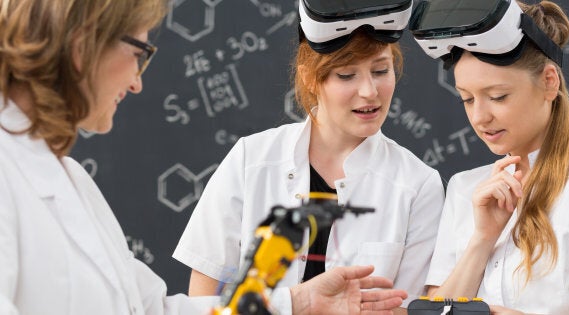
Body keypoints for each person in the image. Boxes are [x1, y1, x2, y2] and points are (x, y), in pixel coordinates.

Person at [0, 0, 408, 314]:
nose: (137, 81)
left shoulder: (68, 179)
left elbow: (153, 310)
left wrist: (296, 303)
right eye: (139, 50)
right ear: (82, 45)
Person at [173, 0, 445, 311]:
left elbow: (407, 306)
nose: (370, 91)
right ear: (309, 77)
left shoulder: (419, 185)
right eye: (346, 75)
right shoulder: (252, 159)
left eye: (381, 70)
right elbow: (205, 288)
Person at [409, 0, 569, 314]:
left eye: (498, 96)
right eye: (467, 99)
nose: (480, 116)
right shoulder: (464, 188)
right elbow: (436, 310)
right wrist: (483, 238)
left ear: (549, 82)